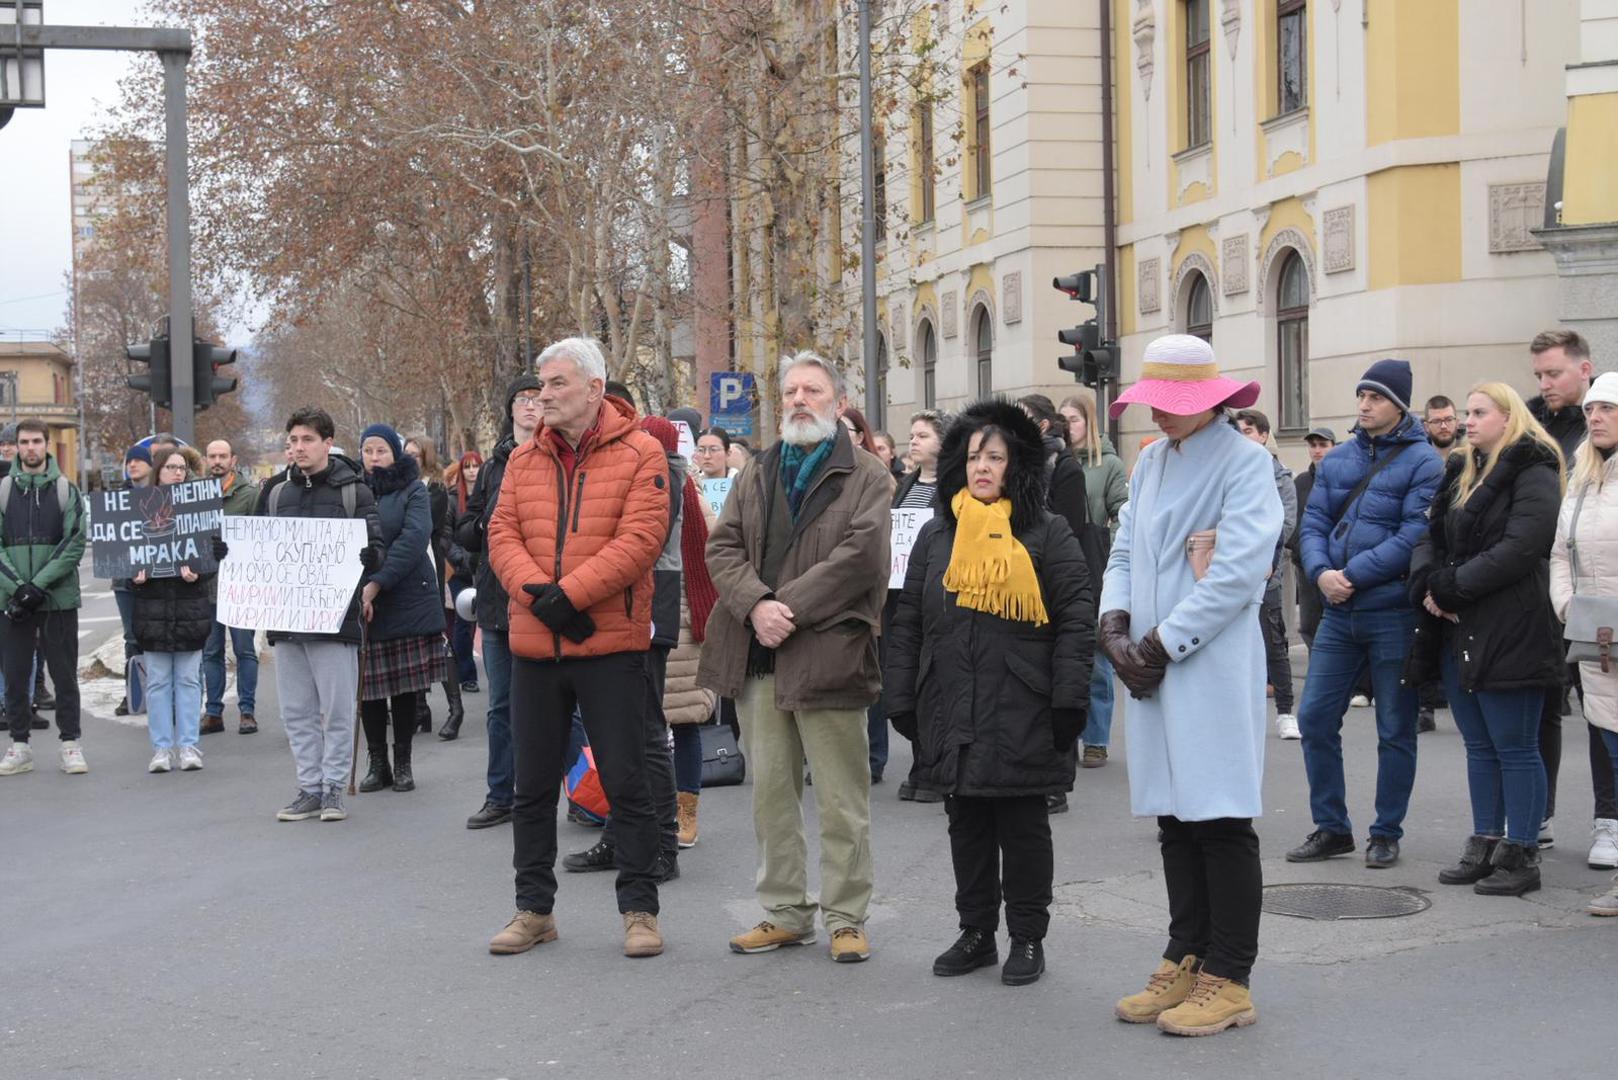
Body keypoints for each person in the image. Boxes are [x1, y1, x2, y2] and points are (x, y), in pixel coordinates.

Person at [1099, 335, 1281, 1036]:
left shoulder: (1246, 463)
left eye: (1175, 404)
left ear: (1212, 400)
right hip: (1152, 665)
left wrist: (1156, 642)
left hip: (1204, 665)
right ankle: (1187, 950)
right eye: (1157, 404)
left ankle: (1230, 975)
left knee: (1221, 818)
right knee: (1176, 818)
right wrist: (1114, 624)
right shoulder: (1150, 463)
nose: (1162, 416)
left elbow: (1238, 574)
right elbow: (1122, 549)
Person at [887, 399, 1093, 987]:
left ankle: (1027, 937)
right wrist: (903, 696)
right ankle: (976, 931)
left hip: (1025, 705)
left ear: (1016, 466)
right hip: (951, 703)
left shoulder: (1046, 532)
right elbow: (908, 624)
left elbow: (1077, 619)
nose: (983, 467)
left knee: (1023, 828)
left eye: (995, 457)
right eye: (974, 456)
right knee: (967, 823)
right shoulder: (936, 533)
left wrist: (1068, 700)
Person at [699, 350, 890, 964]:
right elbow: (722, 547)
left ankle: (845, 917)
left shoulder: (867, 474)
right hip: (758, 652)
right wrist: (757, 606)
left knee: (841, 798)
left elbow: (861, 558)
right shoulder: (756, 472)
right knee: (771, 794)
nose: (801, 400)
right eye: (791, 392)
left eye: (813, 389)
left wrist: (788, 607)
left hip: (829, 652)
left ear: (837, 400)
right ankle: (784, 912)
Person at [485, 337, 670, 960]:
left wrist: (571, 595)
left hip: (611, 646)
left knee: (627, 780)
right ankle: (534, 910)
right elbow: (501, 533)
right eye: (541, 384)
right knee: (532, 786)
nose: (543, 395)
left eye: (557, 383)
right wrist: (541, 596)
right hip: (537, 647)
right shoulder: (520, 461)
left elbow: (640, 540)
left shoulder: (643, 452)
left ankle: (640, 910)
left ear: (594, 389)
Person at [1407, 383, 1562, 896]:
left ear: (1507, 417)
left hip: (1512, 625)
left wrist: (1452, 588)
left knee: (1515, 746)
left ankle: (1521, 852)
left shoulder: (1535, 469)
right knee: (1479, 745)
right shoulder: (1462, 469)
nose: (1467, 421)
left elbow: (1523, 546)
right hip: (1458, 624)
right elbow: (1430, 535)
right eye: (1466, 413)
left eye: (1478, 413)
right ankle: (1486, 841)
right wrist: (1431, 584)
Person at [1291, 359, 1442, 869]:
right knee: (1314, 718)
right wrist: (1319, 574)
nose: (1364, 404)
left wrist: (1351, 575)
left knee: (1395, 727)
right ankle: (1332, 828)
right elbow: (1311, 523)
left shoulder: (1424, 462)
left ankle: (1386, 831)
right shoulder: (1339, 459)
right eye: (1361, 395)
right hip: (1338, 613)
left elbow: (1412, 537)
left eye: (1375, 397)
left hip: (1391, 612)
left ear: (1398, 404)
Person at [559, 414, 690, 882]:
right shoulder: (659, 467)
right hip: (624, 604)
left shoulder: (661, 471)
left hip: (650, 604)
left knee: (648, 732)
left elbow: (642, 544)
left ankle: (664, 846)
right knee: (615, 733)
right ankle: (621, 835)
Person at [256, 407, 384, 823]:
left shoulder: (354, 491)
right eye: (292, 440)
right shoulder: (274, 493)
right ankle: (308, 787)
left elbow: (376, 545)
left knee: (338, 708)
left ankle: (333, 788)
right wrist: (229, 551)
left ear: (328, 443)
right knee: (296, 710)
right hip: (288, 620)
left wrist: (370, 556)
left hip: (334, 621)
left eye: (307, 439)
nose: (298, 448)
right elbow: (257, 548)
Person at [1528, 328, 1615, 858]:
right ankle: (1539, 811)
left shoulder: (1595, 435)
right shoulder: (1535, 428)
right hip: (1554, 599)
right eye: (1538, 374)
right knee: (1543, 707)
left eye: (1554, 373)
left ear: (1584, 369)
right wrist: (1565, 603)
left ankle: (1608, 819)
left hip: (1604, 611)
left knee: (1604, 716)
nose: (1545, 384)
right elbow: (1560, 543)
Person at [456, 377, 539, 829]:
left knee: (563, 706)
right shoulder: (492, 467)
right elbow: (467, 526)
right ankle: (499, 794)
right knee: (500, 706)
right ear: (510, 409)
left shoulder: (558, 456)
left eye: (536, 399)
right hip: (495, 600)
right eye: (522, 400)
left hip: (543, 599)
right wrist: (488, 525)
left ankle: (585, 794)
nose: (530, 407)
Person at [355, 425, 453, 795]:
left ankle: (403, 762)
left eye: (381, 450)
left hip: (406, 596)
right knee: (371, 688)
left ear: (394, 453)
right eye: (368, 451)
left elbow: (414, 539)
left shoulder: (413, 490)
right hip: (364, 602)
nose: (374, 457)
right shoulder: (355, 491)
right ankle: (377, 763)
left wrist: (376, 582)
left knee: (405, 689)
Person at [1551, 372, 1618, 910]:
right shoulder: (1581, 477)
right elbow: (1559, 553)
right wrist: (1569, 606)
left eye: (1609, 409)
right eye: (1592, 409)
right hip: (1597, 644)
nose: (1595, 417)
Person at [1019, 393, 1104, 813]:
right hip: (1022, 585)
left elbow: (1067, 530)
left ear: (1044, 426)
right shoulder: (1021, 465)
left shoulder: (1064, 467)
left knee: (1061, 681)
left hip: (1055, 584)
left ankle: (1057, 780)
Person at [0, 419, 89, 778]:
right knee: (16, 676)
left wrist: (37, 585)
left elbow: (74, 543)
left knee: (65, 677)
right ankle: (19, 745)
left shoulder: (67, 490)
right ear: (17, 446)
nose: (30, 447)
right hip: (14, 602)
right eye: (24, 442)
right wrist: (19, 589)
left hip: (57, 601)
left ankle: (71, 745)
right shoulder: (3, 491)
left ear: (46, 444)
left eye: (37, 441)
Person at [134, 448, 218, 773]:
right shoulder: (138, 507)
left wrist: (200, 571)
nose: (178, 473)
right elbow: (123, 552)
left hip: (189, 607)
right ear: (159, 471)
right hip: (152, 608)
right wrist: (134, 575)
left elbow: (214, 552)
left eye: (182, 468)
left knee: (187, 680)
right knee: (157, 682)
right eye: (171, 467)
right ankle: (161, 749)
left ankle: (188, 746)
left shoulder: (200, 508)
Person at [1060, 392, 1128, 767]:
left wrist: (1111, 547)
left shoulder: (1109, 465)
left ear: (1089, 423)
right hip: (1059, 566)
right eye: (1063, 419)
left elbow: (1122, 512)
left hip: (1094, 565)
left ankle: (1097, 738)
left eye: (1074, 419)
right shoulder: (1053, 462)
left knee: (1097, 659)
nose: (1068, 426)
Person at [891, 409, 948, 803]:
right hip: (902, 590)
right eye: (912, 435)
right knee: (908, 676)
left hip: (937, 590)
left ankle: (935, 766)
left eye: (923, 435)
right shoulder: (905, 485)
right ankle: (920, 761)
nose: (913, 441)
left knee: (935, 681)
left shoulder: (951, 488)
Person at [1233, 410, 1299, 739]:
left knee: (1273, 643)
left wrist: (1256, 553)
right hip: (1232, 573)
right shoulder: (1230, 473)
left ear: (1262, 435)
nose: (1242, 437)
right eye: (1238, 431)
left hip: (1266, 573)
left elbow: (1285, 524)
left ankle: (1286, 711)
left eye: (1248, 431)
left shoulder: (1280, 478)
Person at [401, 435, 465, 739]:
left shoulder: (435, 489)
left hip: (429, 571)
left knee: (438, 639)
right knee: (410, 641)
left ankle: (456, 709)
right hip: (405, 573)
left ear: (425, 457)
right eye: (406, 454)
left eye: (415, 455)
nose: (410, 459)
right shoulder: (400, 486)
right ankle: (419, 708)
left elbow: (424, 526)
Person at [200, 438, 260, 735]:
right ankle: (213, 712)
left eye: (222, 456)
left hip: (240, 587)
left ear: (233, 460)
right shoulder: (195, 496)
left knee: (244, 651)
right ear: (205, 459)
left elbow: (260, 539)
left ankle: (247, 711)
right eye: (212, 456)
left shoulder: (249, 495)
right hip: (206, 588)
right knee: (211, 652)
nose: (217, 461)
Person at [1287, 428, 1336, 673]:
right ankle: (1319, 670)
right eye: (1313, 445)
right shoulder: (1301, 482)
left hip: (1335, 565)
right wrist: (1302, 551)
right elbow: (1292, 521)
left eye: (1323, 444)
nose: (1317, 450)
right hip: (1305, 566)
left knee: (1335, 621)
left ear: (1333, 447)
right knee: (1309, 623)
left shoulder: (1342, 478)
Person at [111, 443, 154, 719]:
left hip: (153, 579)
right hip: (124, 581)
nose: (133, 465)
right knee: (131, 638)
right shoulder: (117, 499)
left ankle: (157, 691)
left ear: (150, 465)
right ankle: (133, 692)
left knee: (153, 637)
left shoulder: (160, 496)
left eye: (138, 461)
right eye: (130, 462)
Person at [445, 449, 483, 708]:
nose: (471, 471)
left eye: (475, 466)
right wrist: (461, 560)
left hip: (483, 568)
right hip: (460, 570)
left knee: (482, 622)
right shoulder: (451, 500)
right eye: (467, 466)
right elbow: (445, 537)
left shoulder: (486, 495)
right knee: (462, 621)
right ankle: (466, 675)